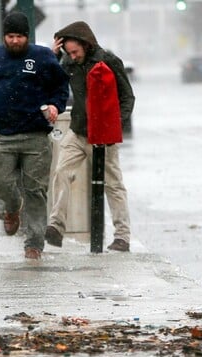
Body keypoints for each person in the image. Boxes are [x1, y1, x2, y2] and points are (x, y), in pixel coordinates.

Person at [0, 11, 69, 260]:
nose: (14, 41)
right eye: (10, 36)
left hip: (35, 135)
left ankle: (34, 243)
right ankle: (12, 208)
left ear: (27, 36)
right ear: (4, 36)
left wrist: (56, 104)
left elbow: (60, 84)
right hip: (3, 136)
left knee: (35, 190)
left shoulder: (42, 56)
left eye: (19, 37)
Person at [45, 21, 135, 252]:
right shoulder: (68, 63)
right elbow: (49, 82)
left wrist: (115, 125)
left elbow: (127, 97)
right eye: (69, 52)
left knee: (113, 184)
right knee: (61, 172)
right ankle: (56, 226)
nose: (72, 56)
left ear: (86, 44)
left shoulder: (109, 61)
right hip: (77, 130)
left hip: (104, 134)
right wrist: (53, 57)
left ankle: (122, 236)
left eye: (75, 51)